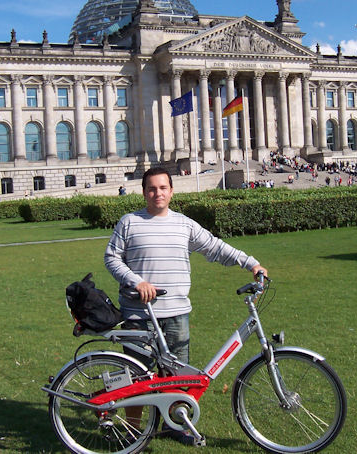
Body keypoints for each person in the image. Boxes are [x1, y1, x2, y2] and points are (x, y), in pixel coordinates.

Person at [104, 167, 267, 442]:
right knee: (137, 377)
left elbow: (215, 248)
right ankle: (133, 430)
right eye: (152, 189)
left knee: (178, 377)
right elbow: (112, 258)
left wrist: (250, 262)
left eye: (163, 188)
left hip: (177, 312)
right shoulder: (129, 222)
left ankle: (175, 426)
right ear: (144, 192)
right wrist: (136, 281)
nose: (158, 193)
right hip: (139, 314)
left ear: (171, 191)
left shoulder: (184, 224)